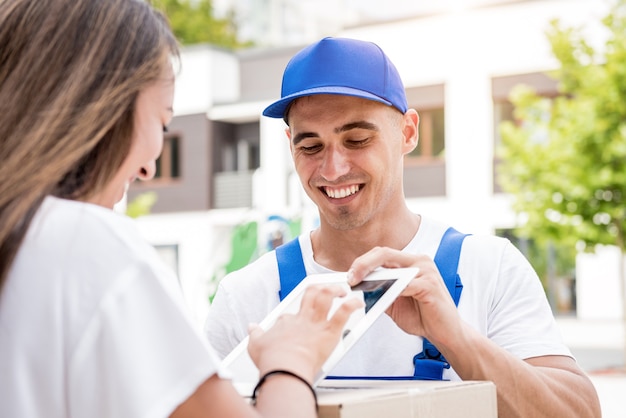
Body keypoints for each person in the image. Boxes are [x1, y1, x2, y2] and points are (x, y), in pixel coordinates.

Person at [204, 37, 601, 417]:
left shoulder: (490, 268)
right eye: (310, 146)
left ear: (408, 132)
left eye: (357, 139)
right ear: (290, 144)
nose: (333, 168)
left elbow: (579, 414)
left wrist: (457, 338)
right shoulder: (246, 298)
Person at [0, 2, 362, 418]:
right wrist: (291, 365)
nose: (149, 167)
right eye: (161, 122)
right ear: (102, 108)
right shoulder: (83, 244)